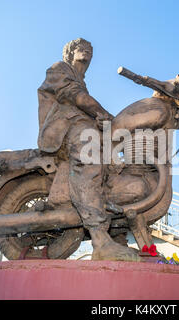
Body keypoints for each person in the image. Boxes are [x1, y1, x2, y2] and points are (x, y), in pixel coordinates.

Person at [37, 38, 139, 261]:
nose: (87, 50)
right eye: (80, 47)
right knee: (89, 161)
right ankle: (100, 241)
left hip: (80, 126)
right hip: (63, 131)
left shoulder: (81, 81)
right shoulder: (60, 69)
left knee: (114, 165)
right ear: (69, 52)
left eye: (90, 49)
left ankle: (117, 232)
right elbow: (76, 97)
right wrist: (102, 113)